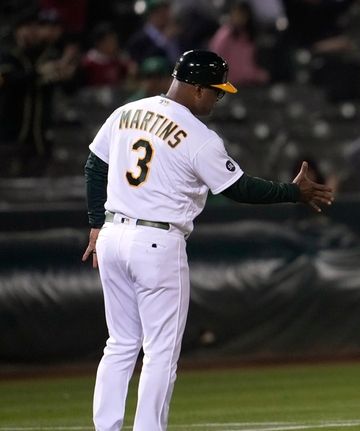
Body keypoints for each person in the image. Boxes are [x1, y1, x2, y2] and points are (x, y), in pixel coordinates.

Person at [81, 49, 334, 431]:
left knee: (119, 344)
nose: (219, 98)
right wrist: (292, 192)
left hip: (113, 234)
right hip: (156, 240)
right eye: (215, 91)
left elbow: (94, 165)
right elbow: (241, 188)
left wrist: (96, 225)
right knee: (160, 352)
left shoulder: (125, 112)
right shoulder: (198, 137)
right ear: (196, 88)